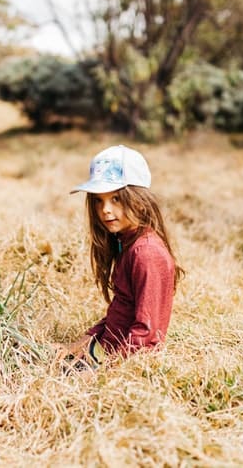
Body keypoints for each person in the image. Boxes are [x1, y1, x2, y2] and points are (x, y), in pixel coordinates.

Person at [59, 145, 184, 369]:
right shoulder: (126, 242)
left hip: (118, 365)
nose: (105, 209)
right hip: (102, 353)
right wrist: (80, 344)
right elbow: (122, 309)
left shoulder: (146, 253)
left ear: (139, 200)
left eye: (116, 199)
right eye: (99, 200)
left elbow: (146, 335)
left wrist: (98, 375)